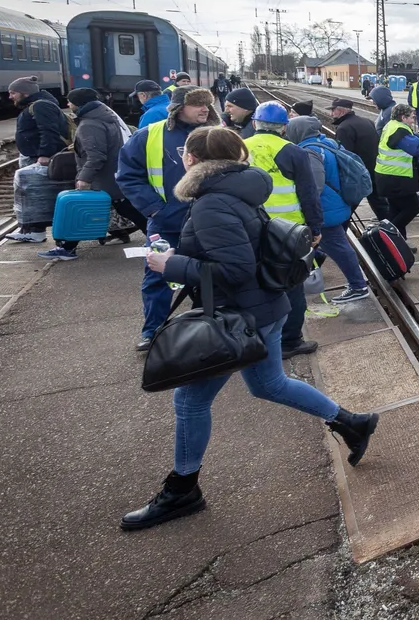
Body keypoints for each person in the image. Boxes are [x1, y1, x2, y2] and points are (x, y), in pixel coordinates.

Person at [122, 126, 379, 531]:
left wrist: (170, 264)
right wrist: (181, 255)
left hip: (240, 315)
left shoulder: (211, 203)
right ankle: (352, 422)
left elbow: (234, 269)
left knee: (190, 402)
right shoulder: (241, 189)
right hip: (264, 308)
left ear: (192, 160)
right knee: (269, 384)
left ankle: (182, 490)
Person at [116, 87, 222, 350]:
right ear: (177, 108)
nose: (205, 109)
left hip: (211, 222)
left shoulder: (218, 134)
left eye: (207, 104)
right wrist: (155, 209)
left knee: (211, 275)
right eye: (197, 104)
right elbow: (127, 175)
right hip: (167, 223)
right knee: (157, 277)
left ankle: (210, 327)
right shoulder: (149, 135)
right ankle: (154, 331)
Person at [243, 102, 323, 358]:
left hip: (250, 227)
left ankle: (255, 337)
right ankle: (290, 341)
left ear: (255, 123)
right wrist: (315, 227)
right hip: (288, 232)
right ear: (284, 127)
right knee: (292, 285)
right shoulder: (293, 152)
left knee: (255, 282)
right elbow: (308, 194)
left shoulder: (239, 147)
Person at [38, 88, 149, 260]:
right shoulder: (104, 116)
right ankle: (68, 247)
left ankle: (67, 248)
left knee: (85, 210)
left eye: (70, 101)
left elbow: (96, 155)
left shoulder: (90, 124)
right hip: (111, 174)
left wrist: (84, 177)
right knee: (127, 209)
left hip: (101, 178)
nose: (68, 104)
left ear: (78, 103)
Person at [285, 116, 371, 305]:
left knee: (338, 246)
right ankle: (308, 275)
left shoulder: (309, 151)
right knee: (328, 244)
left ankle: (358, 286)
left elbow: (315, 186)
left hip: (326, 209)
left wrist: (307, 209)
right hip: (337, 203)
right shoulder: (327, 143)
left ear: (298, 131)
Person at [3, 76, 71, 243]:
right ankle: (31, 229)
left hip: (40, 157)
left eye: (13, 93)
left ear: (25, 93)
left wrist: (44, 154)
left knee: (36, 194)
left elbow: (48, 131)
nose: (10, 97)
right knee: (33, 194)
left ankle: (36, 231)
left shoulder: (41, 105)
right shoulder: (37, 105)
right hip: (34, 155)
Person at [374, 102, 419, 237]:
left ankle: (398, 242)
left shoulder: (391, 125)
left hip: (386, 176)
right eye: (411, 117)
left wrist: (417, 135)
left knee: (396, 210)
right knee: (413, 208)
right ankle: (385, 234)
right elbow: (418, 148)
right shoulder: (399, 131)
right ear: (403, 117)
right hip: (397, 179)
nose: (413, 120)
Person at [328, 97, 386, 219]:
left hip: (357, 173)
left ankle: (341, 226)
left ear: (341, 111)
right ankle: (390, 225)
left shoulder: (344, 128)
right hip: (374, 168)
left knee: (349, 205)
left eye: (333, 110)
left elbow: (344, 155)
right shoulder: (367, 121)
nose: (331, 114)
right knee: (379, 203)